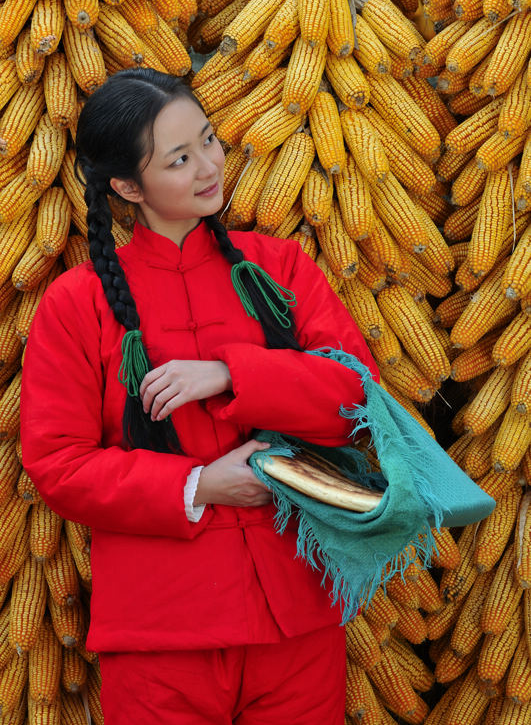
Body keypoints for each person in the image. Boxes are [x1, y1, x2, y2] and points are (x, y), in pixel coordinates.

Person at [20, 68, 379, 725]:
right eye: (180, 158)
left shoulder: (280, 268)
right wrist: (199, 484)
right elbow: (59, 464)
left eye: (209, 141)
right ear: (128, 186)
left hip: (296, 619)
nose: (210, 165)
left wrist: (230, 372)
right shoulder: (77, 302)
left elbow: (358, 398)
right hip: (161, 637)